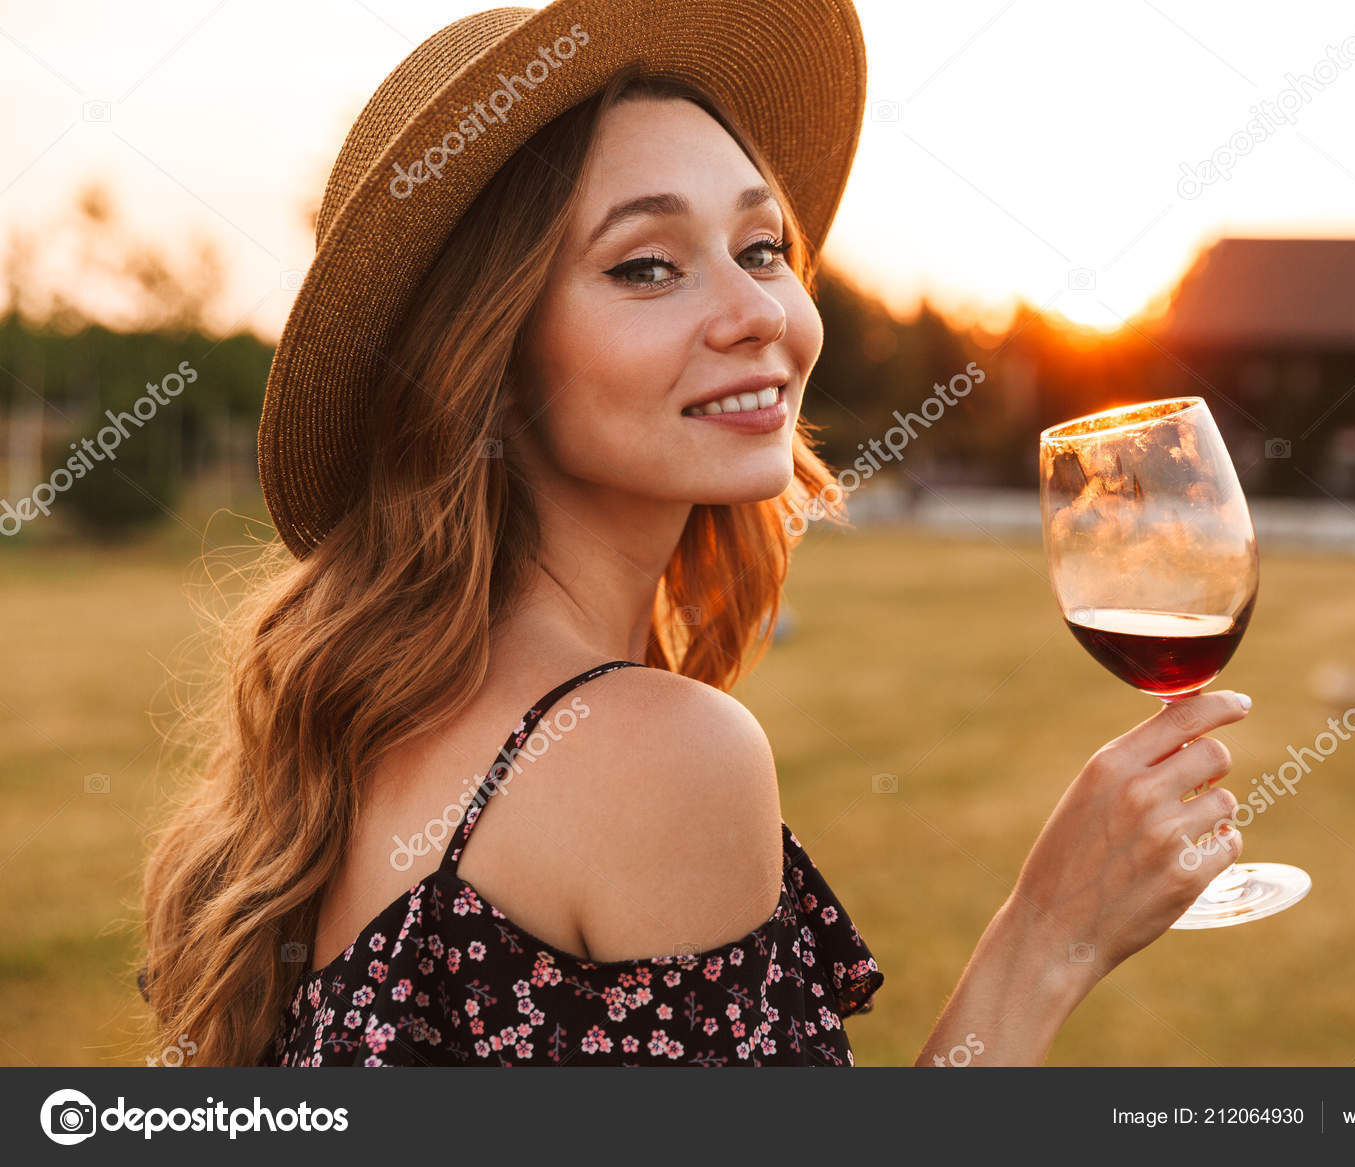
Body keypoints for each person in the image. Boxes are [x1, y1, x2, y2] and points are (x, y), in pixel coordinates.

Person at [139, 1, 1248, 1067]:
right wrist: (1049, 937)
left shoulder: (368, 730)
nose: (760, 311)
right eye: (646, 266)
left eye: (761, 247)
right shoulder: (655, 754)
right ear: (484, 359)